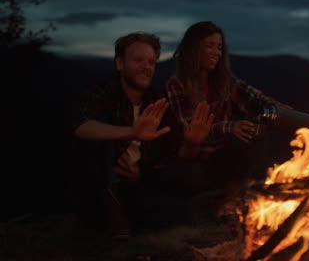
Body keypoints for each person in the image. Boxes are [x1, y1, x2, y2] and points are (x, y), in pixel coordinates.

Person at [71, 32, 213, 239]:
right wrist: (131, 132)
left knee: (193, 179)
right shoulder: (102, 92)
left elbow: (174, 155)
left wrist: (192, 144)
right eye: (138, 60)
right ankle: (116, 219)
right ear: (120, 64)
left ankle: (148, 215)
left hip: (142, 181)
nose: (146, 67)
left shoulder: (157, 101)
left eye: (151, 63)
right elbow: (79, 125)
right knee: (103, 141)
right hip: (104, 181)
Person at [166, 21, 290, 213]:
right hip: (193, 159)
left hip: (222, 157)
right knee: (188, 178)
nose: (216, 52)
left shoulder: (225, 81)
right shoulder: (177, 83)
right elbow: (190, 128)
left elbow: (256, 99)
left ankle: (229, 199)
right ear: (193, 48)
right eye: (209, 46)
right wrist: (229, 127)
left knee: (257, 129)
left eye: (219, 47)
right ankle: (221, 202)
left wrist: (285, 113)